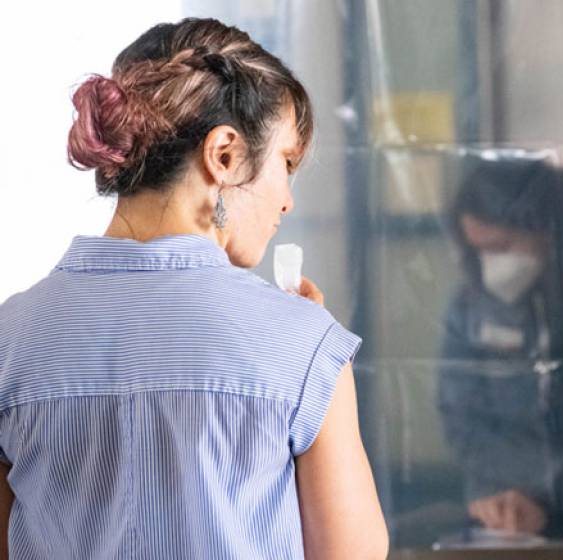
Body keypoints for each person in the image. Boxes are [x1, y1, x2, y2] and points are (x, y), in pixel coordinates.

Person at [0, 18, 386, 560]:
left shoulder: (10, 338)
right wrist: (306, 352)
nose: (287, 201)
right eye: (286, 163)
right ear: (224, 155)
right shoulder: (304, 345)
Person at [436, 156, 563, 537]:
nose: (490, 265)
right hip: (502, 514)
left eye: (502, 246)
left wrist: (558, 497)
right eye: (479, 251)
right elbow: (460, 419)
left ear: (550, 232)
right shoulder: (470, 304)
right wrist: (517, 495)